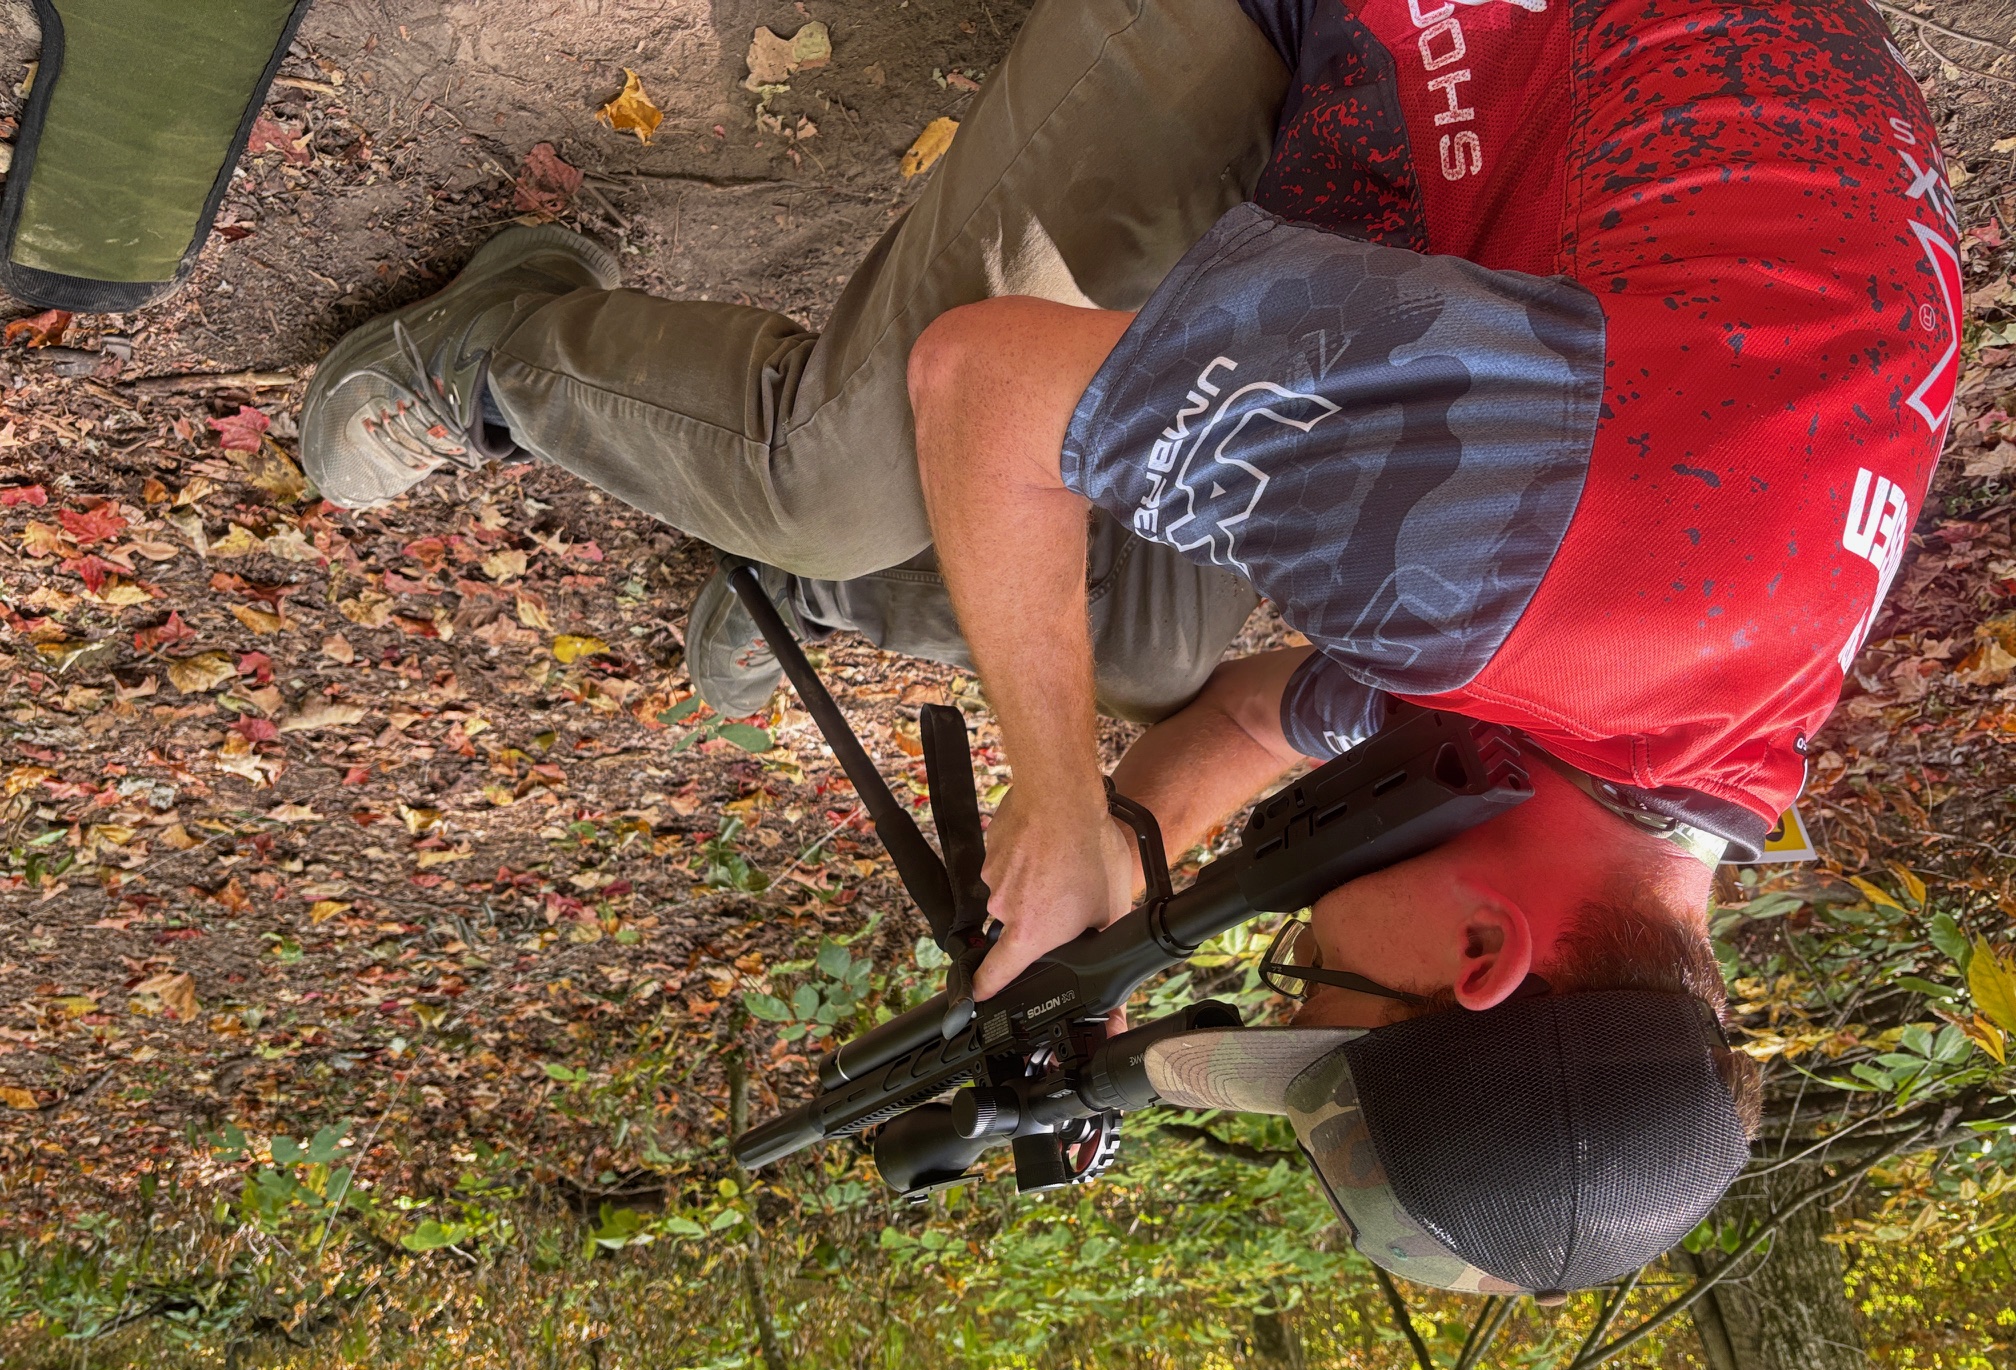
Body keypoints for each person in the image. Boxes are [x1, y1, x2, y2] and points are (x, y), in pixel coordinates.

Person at [299, 0, 1955, 1289]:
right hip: (1368, 38)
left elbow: (1247, 725)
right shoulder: (1530, 585)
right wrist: (1049, 789)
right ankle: (496, 346)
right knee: (831, 477)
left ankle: (854, 599)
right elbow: (990, 381)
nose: (1289, 953)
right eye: (1318, 986)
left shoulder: (1683, 755)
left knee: (1148, 653)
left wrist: (1112, 919)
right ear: (1483, 961)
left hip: (1496, 130)